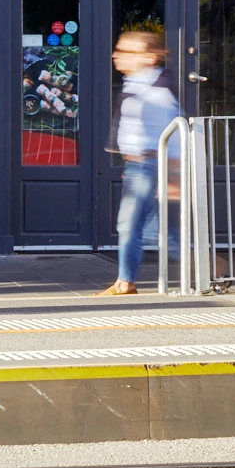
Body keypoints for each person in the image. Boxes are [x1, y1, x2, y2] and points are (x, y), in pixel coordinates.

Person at [102, 30, 181, 296]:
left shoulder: (156, 91)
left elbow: (173, 135)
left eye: (125, 51)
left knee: (132, 225)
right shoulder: (135, 84)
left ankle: (125, 283)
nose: (116, 55)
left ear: (149, 57)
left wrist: (171, 177)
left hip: (151, 165)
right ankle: (214, 270)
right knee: (163, 231)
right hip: (140, 166)